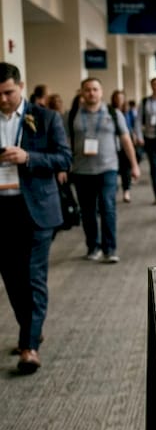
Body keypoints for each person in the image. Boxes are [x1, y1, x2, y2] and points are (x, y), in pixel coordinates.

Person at [0, 62, 71, 374]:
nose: (2, 99)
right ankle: (31, 327)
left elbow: (64, 158)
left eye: (8, 93)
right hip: (2, 210)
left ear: (21, 86)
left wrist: (28, 157)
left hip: (36, 209)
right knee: (12, 280)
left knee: (33, 276)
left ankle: (30, 346)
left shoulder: (45, 118)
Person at [66, 78, 139, 262]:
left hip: (108, 168)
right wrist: (64, 166)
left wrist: (134, 165)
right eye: (87, 89)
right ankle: (93, 246)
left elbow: (126, 140)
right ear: (81, 92)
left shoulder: (114, 114)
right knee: (88, 211)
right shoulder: (72, 114)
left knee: (108, 207)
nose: (91, 93)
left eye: (95, 89)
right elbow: (66, 142)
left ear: (101, 91)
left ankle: (110, 248)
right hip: (81, 170)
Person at [109, 89, 135, 203]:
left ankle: (126, 190)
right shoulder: (110, 112)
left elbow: (132, 125)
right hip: (114, 145)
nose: (119, 100)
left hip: (125, 144)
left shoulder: (127, 112)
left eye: (121, 98)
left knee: (126, 169)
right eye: (117, 98)